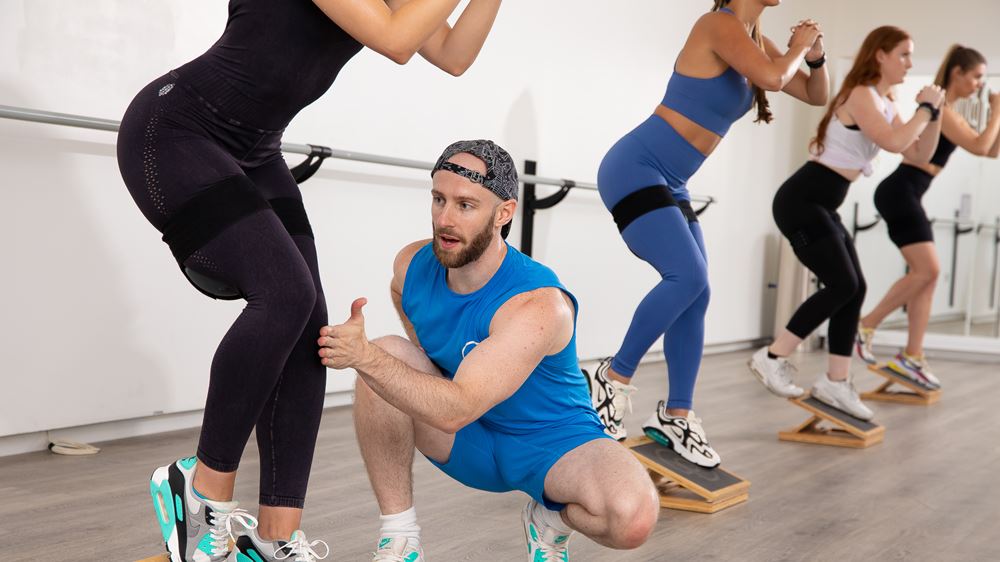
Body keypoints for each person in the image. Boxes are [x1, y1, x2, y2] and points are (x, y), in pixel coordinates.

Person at [118, 1, 503, 560]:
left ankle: (274, 537)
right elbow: (396, 41)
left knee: (311, 330)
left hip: (254, 149)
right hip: (178, 133)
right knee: (285, 294)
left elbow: (452, 53)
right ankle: (199, 487)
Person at [319, 140, 659, 561]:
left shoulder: (538, 303)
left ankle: (549, 520)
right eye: (439, 199)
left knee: (633, 518)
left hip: (552, 443)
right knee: (387, 356)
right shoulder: (412, 263)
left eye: (465, 205)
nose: (444, 219)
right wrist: (423, 357)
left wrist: (363, 356)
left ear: (503, 213)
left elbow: (455, 408)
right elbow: (400, 291)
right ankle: (400, 538)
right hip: (468, 443)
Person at [587, 0, 829, 468]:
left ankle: (677, 415)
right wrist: (798, 46)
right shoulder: (718, 25)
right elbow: (776, 78)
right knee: (688, 277)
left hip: (671, 180)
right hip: (636, 168)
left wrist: (814, 57)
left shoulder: (755, 38)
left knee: (697, 292)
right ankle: (610, 377)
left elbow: (814, 94)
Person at [747, 26, 945, 421]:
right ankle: (772, 356)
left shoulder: (887, 101)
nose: (909, 63)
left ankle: (836, 381)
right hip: (802, 200)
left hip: (824, 203)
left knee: (855, 288)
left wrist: (934, 113)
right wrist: (924, 110)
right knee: (843, 283)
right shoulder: (861, 95)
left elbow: (921, 152)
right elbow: (892, 142)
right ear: (880, 56)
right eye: (904, 54)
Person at [857, 45, 1000, 387]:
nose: (980, 84)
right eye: (977, 76)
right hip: (900, 191)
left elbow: (991, 151)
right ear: (958, 73)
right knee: (930, 269)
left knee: (927, 276)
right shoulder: (944, 110)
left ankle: (912, 356)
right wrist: (997, 112)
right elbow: (981, 146)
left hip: (910, 193)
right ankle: (864, 326)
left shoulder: (955, 114)